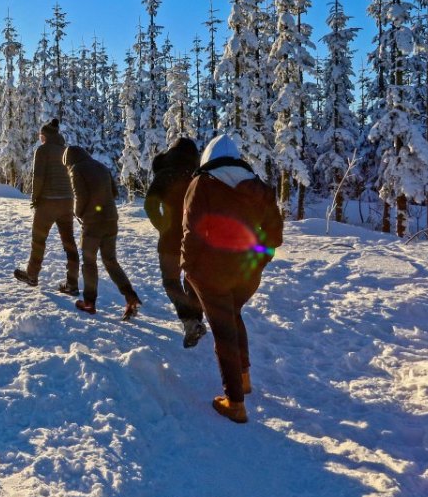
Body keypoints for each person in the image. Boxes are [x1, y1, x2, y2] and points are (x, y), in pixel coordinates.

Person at [180, 133, 283, 424]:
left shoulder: (201, 184)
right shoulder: (259, 187)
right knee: (233, 316)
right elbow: (274, 236)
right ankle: (244, 376)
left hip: (210, 274)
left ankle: (235, 402)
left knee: (223, 330)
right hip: (247, 273)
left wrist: (187, 267)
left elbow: (192, 232)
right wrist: (258, 259)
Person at [62, 145, 142, 317]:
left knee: (89, 262)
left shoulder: (76, 169)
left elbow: (80, 196)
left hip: (93, 224)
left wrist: (78, 212)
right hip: (111, 220)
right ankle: (131, 298)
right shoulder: (100, 166)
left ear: (69, 161)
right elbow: (113, 192)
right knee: (111, 261)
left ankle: (89, 303)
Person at [143, 137, 208, 348]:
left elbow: (149, 205)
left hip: (170, 238)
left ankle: (190, 321)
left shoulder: (164, 174)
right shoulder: (199, 175)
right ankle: (195, 320)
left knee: (170, 281)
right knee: (192, 280)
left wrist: (163, 225)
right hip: (197, 238)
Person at [13, 119, 79, 294]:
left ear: (46, 136)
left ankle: (32, 275)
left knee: (38, 240)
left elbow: (38, 177)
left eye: (41, 136)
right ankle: (72, 283)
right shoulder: (67, 151)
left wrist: (35, 198)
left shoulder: (42, 151)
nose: (40, 139)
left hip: (48, 203)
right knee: (69, 243)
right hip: (67, 202)